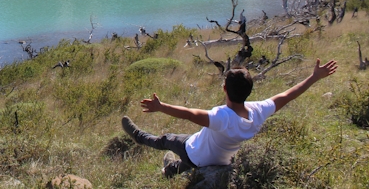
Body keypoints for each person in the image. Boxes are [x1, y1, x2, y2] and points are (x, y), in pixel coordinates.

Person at [121, 59, 338, 177]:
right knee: (186, 158)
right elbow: (286, 96)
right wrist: (314, 77)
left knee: (167, 140)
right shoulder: (257, 112)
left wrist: (161, 107)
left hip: (194, 152)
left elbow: (190, 114)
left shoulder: (222, 118)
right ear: (249, 91)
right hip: (219, 159)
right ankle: (170, 170)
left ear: (224, 88)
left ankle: (139, 136)